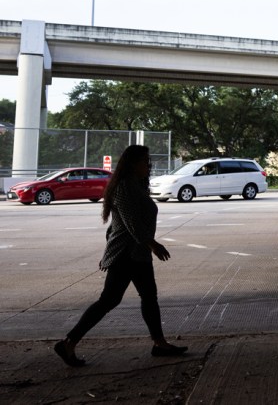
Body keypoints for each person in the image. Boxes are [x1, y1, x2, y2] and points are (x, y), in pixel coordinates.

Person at [54, 144, 187, 366]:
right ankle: (69, 342)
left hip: (136, 253)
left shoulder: (135, 185)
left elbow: (116, 227)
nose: (149, 165)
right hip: (128, 255)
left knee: (143, 297)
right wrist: (153, 244)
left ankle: (159, 343)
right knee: (111, 300)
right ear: (132, 163)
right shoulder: (125, 187)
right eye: (145, 161)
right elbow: (130, 223)